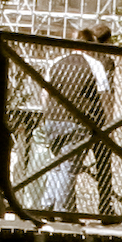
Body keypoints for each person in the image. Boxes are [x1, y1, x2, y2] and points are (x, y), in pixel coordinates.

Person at [28, 29, 110, 216]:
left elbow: (44, 93)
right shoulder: (95, 64)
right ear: (89, 46)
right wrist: (108, 121)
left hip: (53, 119)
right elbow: (105, 94)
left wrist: (48, 113)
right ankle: (63, 210)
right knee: (69, 168)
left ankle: (46, 206)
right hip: (77, 121)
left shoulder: (56, 62)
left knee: (56, 165)